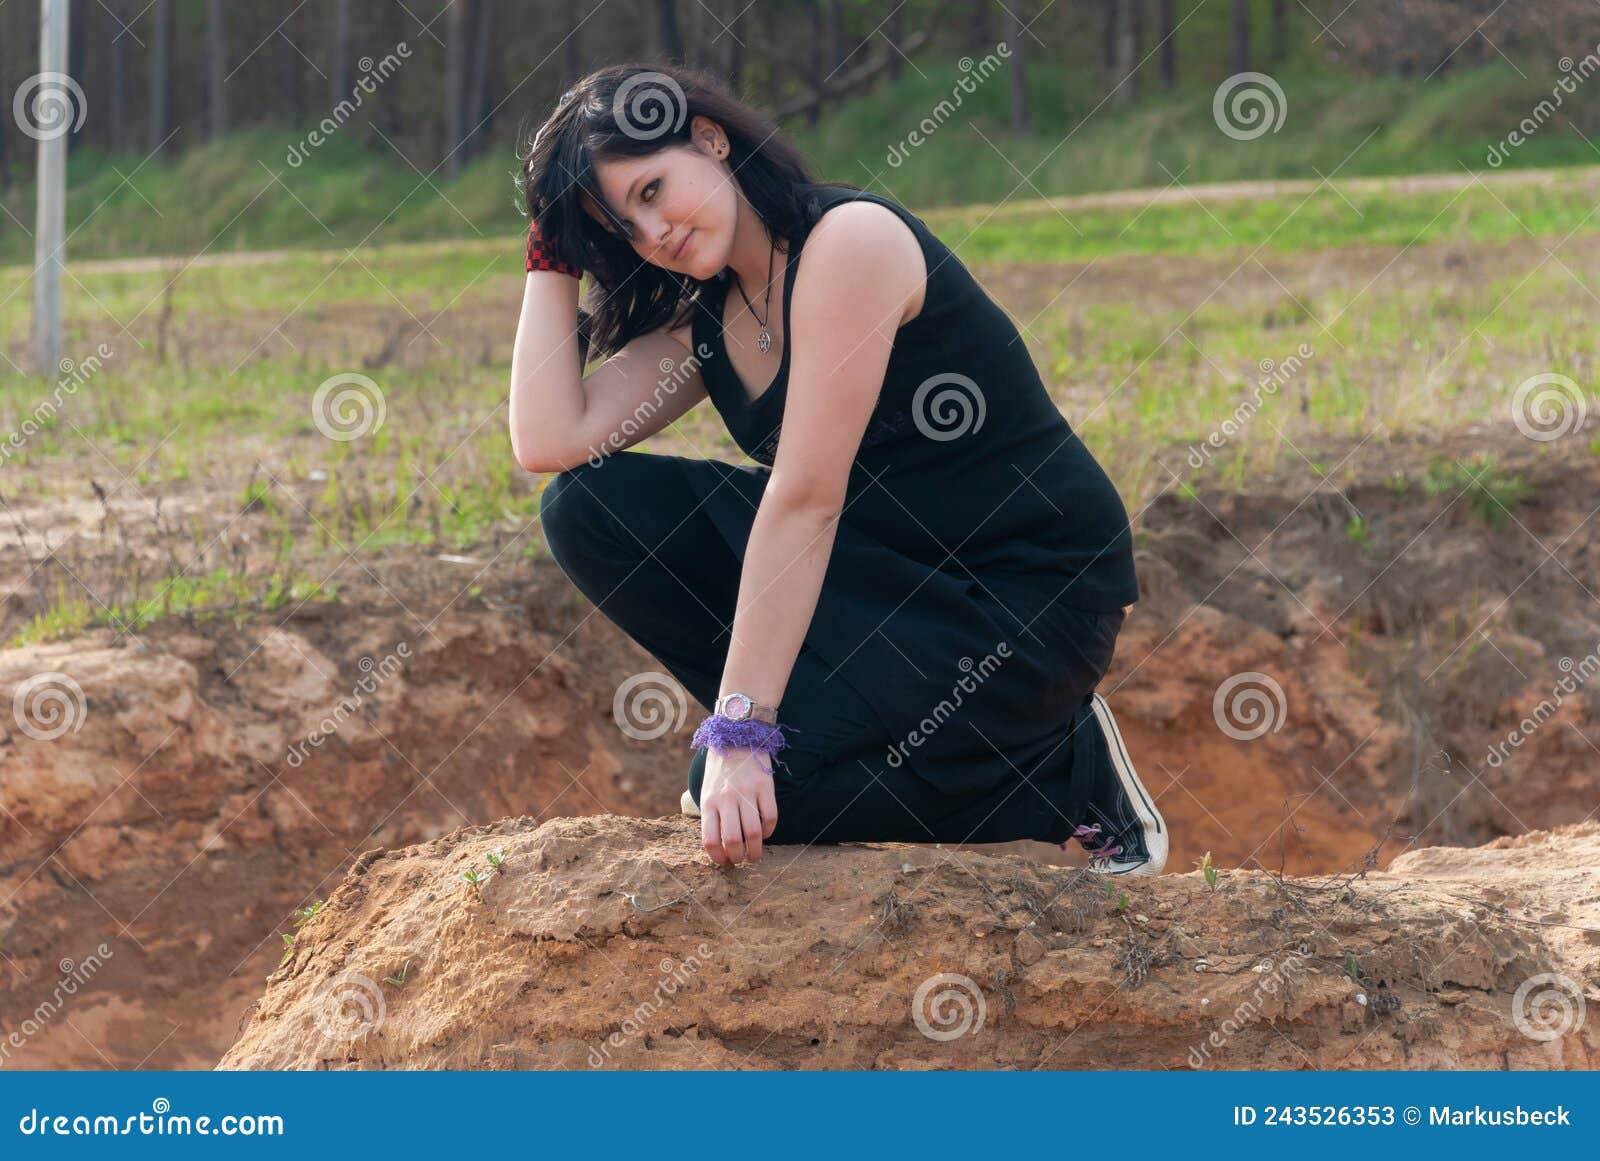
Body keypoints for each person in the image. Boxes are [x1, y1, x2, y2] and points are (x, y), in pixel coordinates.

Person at [510, 61, 1166, 875]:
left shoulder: (849, 244)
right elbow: (549, 438)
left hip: (1025, 601)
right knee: (586, 509)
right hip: (892, 590)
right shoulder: (707, 315)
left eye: (652, 192)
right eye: (625, 229)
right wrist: (550, 250)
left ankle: (1065, 775)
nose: (655, 236)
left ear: (710, 142)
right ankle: (877, 733)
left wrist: (742, 732)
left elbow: (808, 498)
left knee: (749, 793)